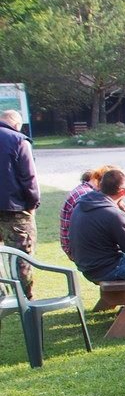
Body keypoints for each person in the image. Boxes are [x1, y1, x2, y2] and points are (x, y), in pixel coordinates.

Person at [67, 168, 125, 284]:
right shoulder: (113, 213)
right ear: (122, 192)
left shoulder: (84, 203)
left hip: (90, 267)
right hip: (106, 269)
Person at [0, 109, 39, 297]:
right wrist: (32, 204)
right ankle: (26, 298)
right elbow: (29, 177)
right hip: (14, 209)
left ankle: (2, 296)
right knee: (21, 255)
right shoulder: (18, 140)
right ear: (17, 124)